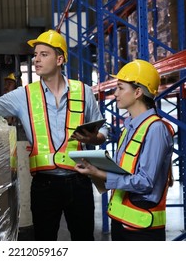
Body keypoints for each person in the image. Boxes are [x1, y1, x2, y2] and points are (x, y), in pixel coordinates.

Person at [0, 29, 108, 241]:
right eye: (35, 55)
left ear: (59, 59)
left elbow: (103, 132)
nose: (36, 59)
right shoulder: (24, 95)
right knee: (44, 241)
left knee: (84, 240)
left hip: (80, 181)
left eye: (43, 54)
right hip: (44, 185)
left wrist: (92, 138)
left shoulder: (84, 91)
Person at [74, 59, 174, 241]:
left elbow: (145, 182)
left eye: (120, 88)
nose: (116, 93)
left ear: (137, 92)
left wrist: (102, 173)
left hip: (143, 230)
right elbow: (125, 171)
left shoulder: (156, 129)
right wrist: (95, 170)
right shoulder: (129, 127)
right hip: (122, 222)